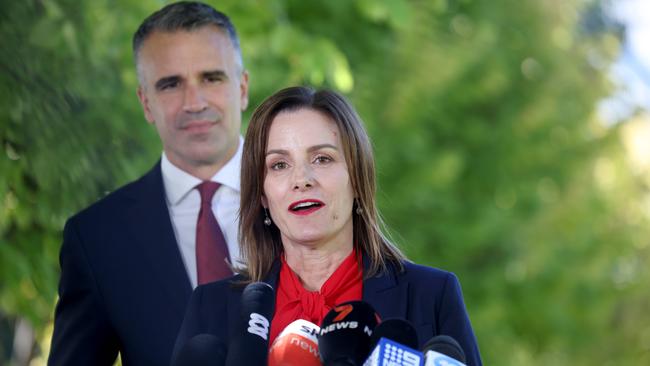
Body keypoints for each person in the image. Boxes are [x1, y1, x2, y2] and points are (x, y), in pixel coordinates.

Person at [172, 86, 483, 365]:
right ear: (263, 195)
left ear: (358, 180)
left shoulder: (432, 295)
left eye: (322, 159)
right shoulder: (210, 307)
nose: (302, 180)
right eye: (279, 165)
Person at [48, 2, 249, 365]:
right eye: (170, 84)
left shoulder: (309, 200)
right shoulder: (96, 238)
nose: (194, 102)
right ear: (145, 102)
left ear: (243, 87)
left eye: (211, 78)